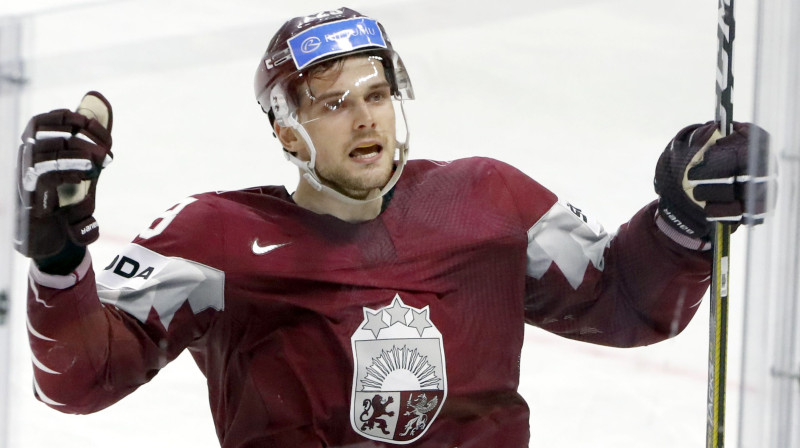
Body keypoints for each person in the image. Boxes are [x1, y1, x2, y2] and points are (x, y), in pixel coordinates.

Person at [14, 7, 768, 448]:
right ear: (285, 133)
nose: (365, 115)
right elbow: (80, 382)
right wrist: (56, 259)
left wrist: (680, 218)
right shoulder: (216, 240)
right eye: (333, 102)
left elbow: (623, 303)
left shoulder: (486, 201)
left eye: (376, 93)